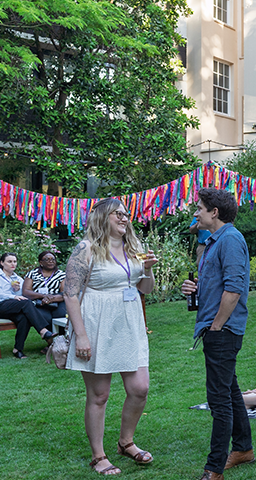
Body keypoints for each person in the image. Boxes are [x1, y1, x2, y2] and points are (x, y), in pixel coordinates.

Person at [63, 199, 158, 475]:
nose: (124, 218)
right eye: (118, 213)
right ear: (103, 217)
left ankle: (126, 442)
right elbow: (70, 293)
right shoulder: (87, 248)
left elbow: (145, 289)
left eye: (126, 214)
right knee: (99, 394)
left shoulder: (134, 247)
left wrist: (148, 269)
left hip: (130, 323)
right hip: (96, 323)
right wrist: (81, 335)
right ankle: (98, 455)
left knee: (140, 388)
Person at [179, 188, 254, 480]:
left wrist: (217, 326)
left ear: (215, 213)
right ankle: (244, 449)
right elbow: (217, 283)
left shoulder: (231, 240)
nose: (195, 212)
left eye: (199, 208)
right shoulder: (214, 241)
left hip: (222, 330)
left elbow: (234, 289)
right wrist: (195, 290)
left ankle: (214, 469)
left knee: (218, 399)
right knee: (231, 391)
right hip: (216, 328)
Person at [0, 252, 58, 359]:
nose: (13, 264)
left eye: (14, 261)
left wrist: (17, 291)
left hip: (13, 308)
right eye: (9, 261)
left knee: (24, 317)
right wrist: (13, 296)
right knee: (26, 303)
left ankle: (18, 349)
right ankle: (43, 330)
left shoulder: (17, 278)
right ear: (2, 263)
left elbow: (23, 294)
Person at [23, 251, 68, 327]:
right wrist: (43, 296)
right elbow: (26, 291)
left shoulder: (61, 275)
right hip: (39, 301)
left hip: (58, 300)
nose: (51, 261)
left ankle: (61, 336)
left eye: (53, 259)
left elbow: (65, 293)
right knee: (45, 317)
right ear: (41, 262)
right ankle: (51, 337)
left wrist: (52, 298)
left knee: (60, 315)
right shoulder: (32, 274)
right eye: (47, 259)